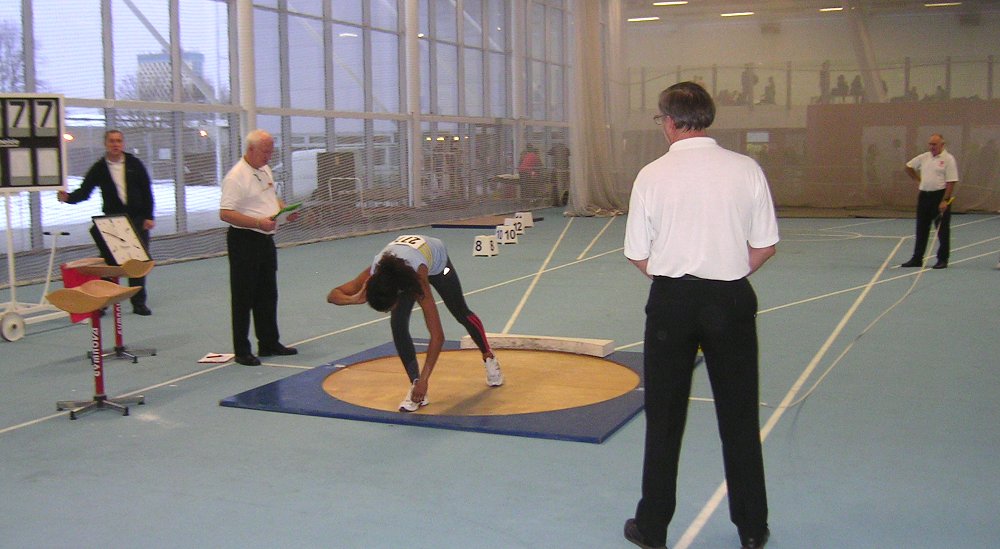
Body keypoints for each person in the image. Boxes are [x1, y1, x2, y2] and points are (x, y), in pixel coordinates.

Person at [623, 81, 778, 549]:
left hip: (671, 304)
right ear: (706, 118)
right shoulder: (745, 168)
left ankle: (652, 527)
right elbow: (765, 244)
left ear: (669, 122)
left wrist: (676, 281)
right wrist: (724, 274)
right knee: (739, 416)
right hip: (730, 302)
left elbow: (637, 253)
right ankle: (751, 530)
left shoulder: (651, 175)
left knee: (664, 419)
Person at [327, 234, 503, 412]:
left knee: (459, 312)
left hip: (437, 264)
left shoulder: (418, 281)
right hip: (403, 265)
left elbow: (437, 336)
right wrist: (354, 299)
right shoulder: (373, 273)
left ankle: (488, 356)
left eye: (389, 307)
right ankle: (415, 384)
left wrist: (427, 378)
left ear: (398, 292)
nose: (388, 311)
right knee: (398, 325)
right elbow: (333, 295)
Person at [220, 129, 300, 366]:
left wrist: (286, 211)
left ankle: (268, 342)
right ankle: (242, 350)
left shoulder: (264, 170)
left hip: (265, 240)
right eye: (265, 151)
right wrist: (257, 223)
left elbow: (271, 199)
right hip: (244, 240)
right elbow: (225, 213)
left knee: (267, 293)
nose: (269, 156)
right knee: (244, 296)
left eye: (271, 151)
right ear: (251, 149)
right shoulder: (236, 177)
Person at [58, 129, 155, 315]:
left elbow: (147, 191)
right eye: (112, 141)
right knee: (109, 263)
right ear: (105, 144)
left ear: (123, 144)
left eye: (119, 141)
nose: (115, 144)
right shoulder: (99, 168)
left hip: (137, 220)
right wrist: (68, 197)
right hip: (112, 222)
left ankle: (139, 303)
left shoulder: (135, 164)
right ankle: (104, 301)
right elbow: (85, 192)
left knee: (137, 263)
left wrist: (149, 217)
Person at [899, 133, 958, 270]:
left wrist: (945, 200)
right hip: (924, 196)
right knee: (921, 228)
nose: (932, 147)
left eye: (934, 144)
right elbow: (908, 167)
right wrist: (918, 180)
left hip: (939, 196)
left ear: (942, 145)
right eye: (930, 144)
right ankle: (917, 258)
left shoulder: (948, 159)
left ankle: (942, 259)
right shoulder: (924, 157)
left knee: (942, 230)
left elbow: (951, 181)